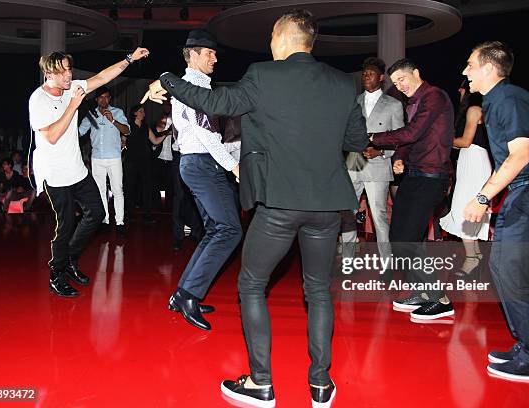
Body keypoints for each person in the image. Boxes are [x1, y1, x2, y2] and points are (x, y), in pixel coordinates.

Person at [143, 10, 367, 408]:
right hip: (328, 206)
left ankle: (261, 383)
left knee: (251, 285)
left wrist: (166, 81)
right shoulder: (341, 82)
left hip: (279, 203)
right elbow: (355, 138)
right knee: (317, 290)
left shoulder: (263, 75)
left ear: (282, 38)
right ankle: (320, 384)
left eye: (271, 38)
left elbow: (213, 101)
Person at [462, 41, 529, 383]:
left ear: (490, 69)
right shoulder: (498, 101)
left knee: (510, 267)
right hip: (528, 191)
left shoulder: (507, 99)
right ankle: (528, 348)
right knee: (502, 266)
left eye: (471, 65)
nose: (465, 72)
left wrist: (482, 198)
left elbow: (520, 156)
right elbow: (511, 160)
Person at [28, 47, 149, 297]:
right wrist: (73, 105)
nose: (68, 75)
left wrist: (129, 59)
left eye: (69, 69)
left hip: (76, 168)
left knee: (97, 212)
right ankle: (56, 273)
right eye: (62, 71)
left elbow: (103, 77)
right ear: (49, 74)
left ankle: (70, 259)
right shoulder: (38, 99)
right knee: (66, 224)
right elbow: (51, 136)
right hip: (54, 172)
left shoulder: (72, 87)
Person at [158, 29, 243, 332]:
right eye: (209, 54)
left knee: (214, 229)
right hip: (202, 163)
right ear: (192, 55)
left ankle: (182, 294)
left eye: (215, 53)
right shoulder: (193, 85)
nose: (215, 58)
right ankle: (188, 295)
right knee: (230, 230)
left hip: (195, 163)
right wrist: (233, 166)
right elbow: (207, 134)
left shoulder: (193, 84)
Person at [369, 58, 455, 320]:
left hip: (432, 176)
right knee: (400, 237)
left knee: (406, 238)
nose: (400, 86)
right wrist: (399, 157)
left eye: (402, 79)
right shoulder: (413, 103)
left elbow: (412, 132)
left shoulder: (434, 96)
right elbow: (411, 139)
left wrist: (372, 138)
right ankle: (423, 292)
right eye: (395, 83)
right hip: (415, 175)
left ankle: (439, 298)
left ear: (416, 73)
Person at [341, 57, 404, 263]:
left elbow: (400, 139)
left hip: (378, 163)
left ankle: (386, 262)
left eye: (371, 73)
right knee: (348, 212)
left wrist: (382, 153)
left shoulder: (393, 104)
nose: (366, 76)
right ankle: (348, 261)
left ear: (381, 78)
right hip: (355, 160)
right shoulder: (353, 101)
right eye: (364, 73)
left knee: (378, 215)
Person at [440, 81, 492, 277]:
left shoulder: (473, 110)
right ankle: (476, 256)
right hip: (472, 159)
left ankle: (471, 258)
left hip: (474, 160)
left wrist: (440, 140)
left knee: (464, 208)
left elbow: (465, 141)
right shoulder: (478, 110)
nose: (459, 90)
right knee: (468, 208)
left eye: (463, 87)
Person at [79, 86, 130, 237]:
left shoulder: (117, 112)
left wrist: (112, 120)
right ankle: (105, 220)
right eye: (101, 97)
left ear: (110, 99)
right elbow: (80, 132)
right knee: (100, 191)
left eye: (107, 97)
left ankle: (120, 223)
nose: (104, 100)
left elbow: (127, 131)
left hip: (114, 157)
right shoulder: (91, 114)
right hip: (97, 158)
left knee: (117, 190)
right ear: (96, 99)